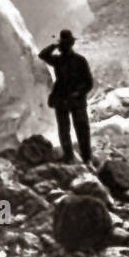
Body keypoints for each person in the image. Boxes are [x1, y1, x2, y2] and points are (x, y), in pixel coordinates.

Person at [37, 29, 94, 163]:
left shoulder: (78, 60)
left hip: (74, 100)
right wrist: (54, 46)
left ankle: (85, 157)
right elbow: (43, 55)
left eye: (64, 43)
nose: (63, 46)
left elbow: (89, 83)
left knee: (80, 129)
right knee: (66, 130)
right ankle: (71, 156)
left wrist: (78, 93)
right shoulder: (59, 60)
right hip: (63, 99)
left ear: (69, 44)